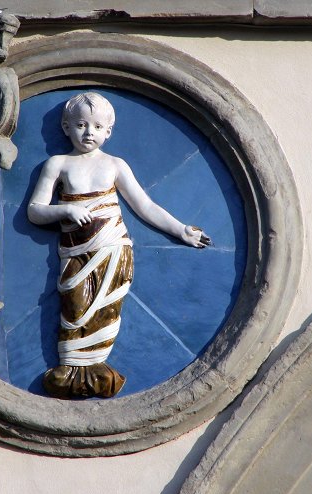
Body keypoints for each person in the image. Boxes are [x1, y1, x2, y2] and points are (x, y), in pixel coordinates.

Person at [27, 92, 211, 398]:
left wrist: (181, 230)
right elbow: (35, 211)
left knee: (106, 311)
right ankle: (70, 372)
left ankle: (97, 373)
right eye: (81, 125)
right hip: (76, 252)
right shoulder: (58, 164)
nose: (89, 133)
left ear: (108, 132)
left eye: (98, 127)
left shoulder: (114, 165)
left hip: (112, 249)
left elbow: (144, 206)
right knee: (75, 308)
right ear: (66, 126)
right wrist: (65, 210)